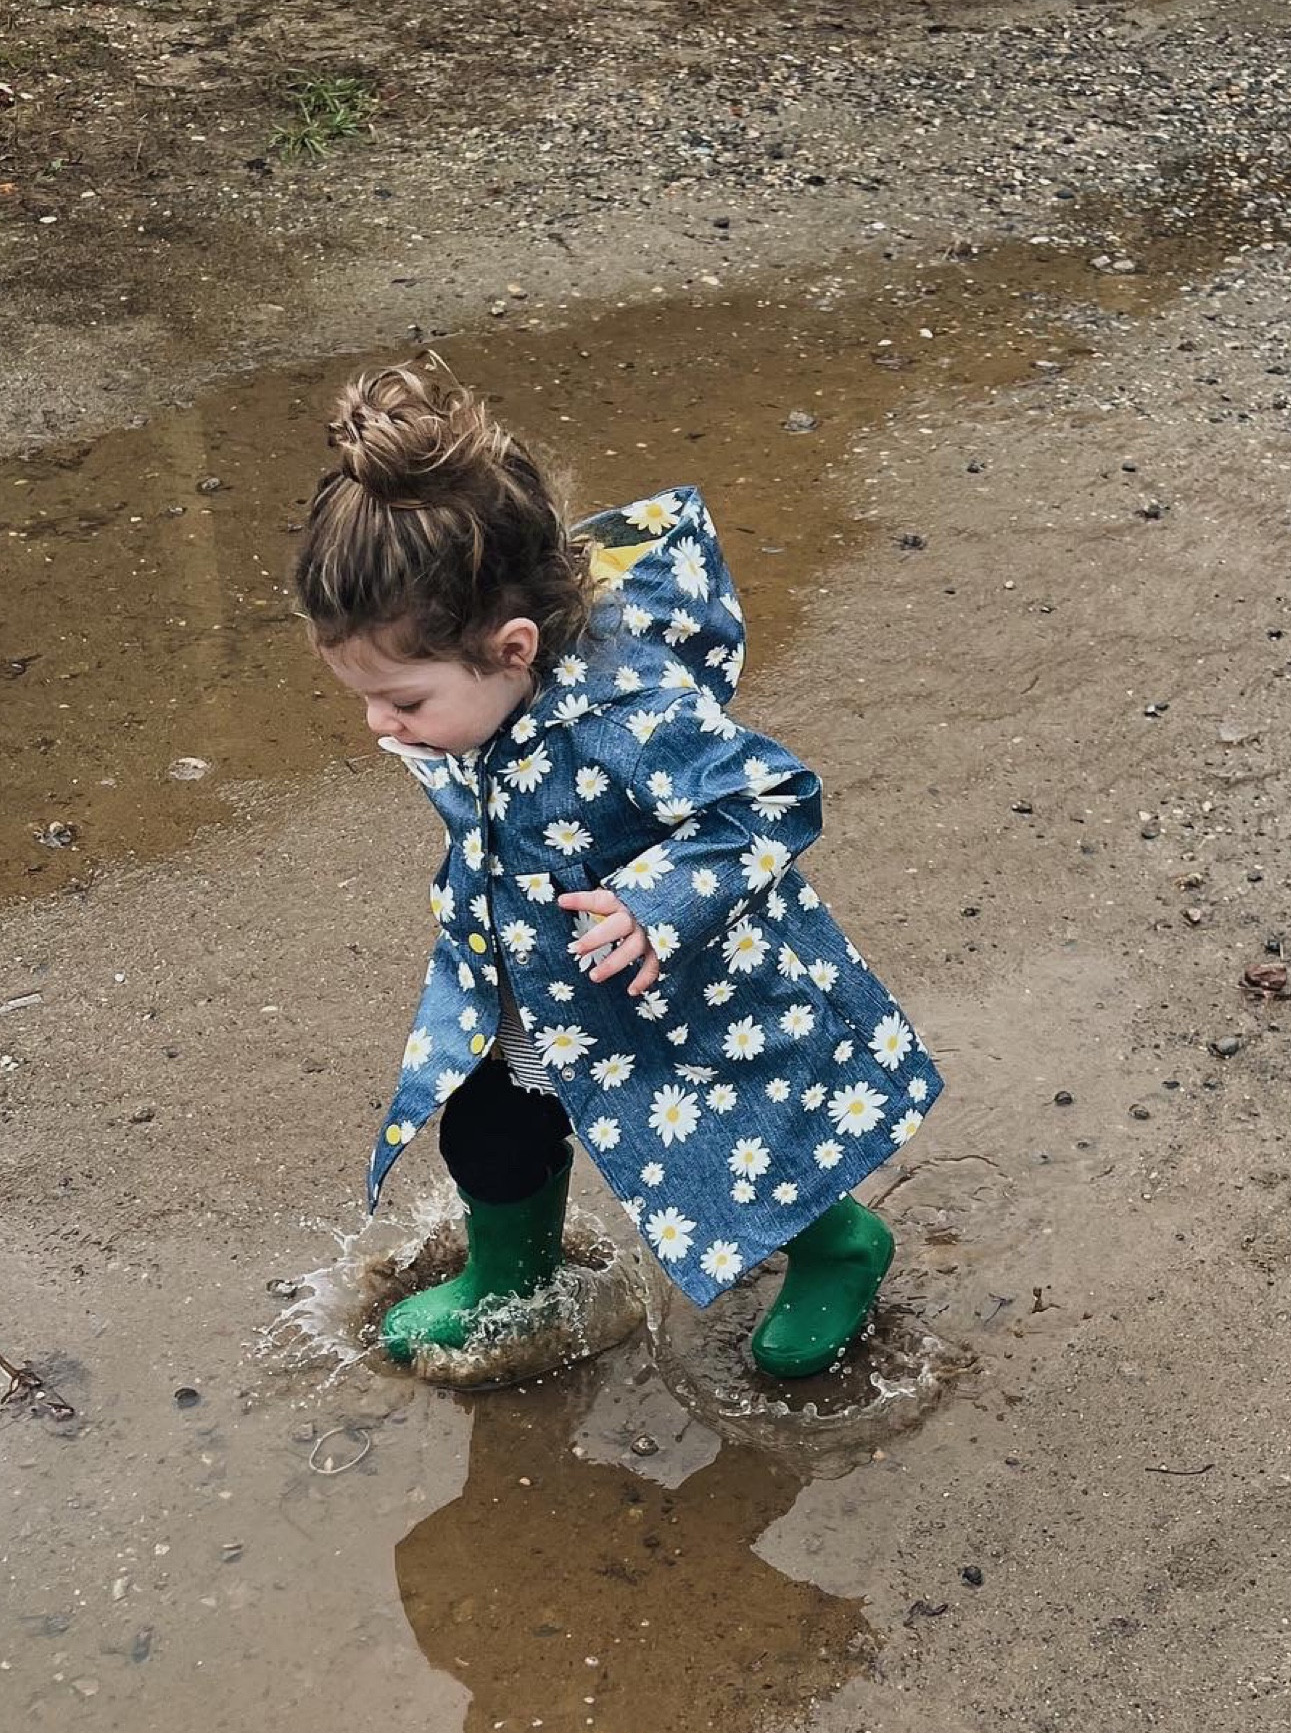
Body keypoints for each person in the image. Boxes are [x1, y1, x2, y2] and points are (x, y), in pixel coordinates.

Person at [294, 359, 942, 1378]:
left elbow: (773, 795)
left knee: (744, 1142)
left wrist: (658, 898)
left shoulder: (628, 715)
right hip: (522, 974)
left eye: (405, 702)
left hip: (671, 982)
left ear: (512, 648)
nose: (381, 724)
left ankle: (841, 1245)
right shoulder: (485, 686)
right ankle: (513, 1277)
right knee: (486, 1120)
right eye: (366, 697)